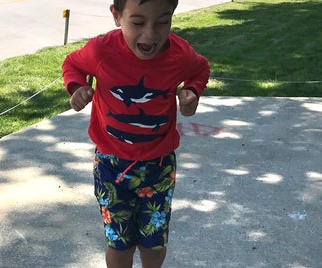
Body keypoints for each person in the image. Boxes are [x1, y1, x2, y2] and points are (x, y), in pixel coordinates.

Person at [61, 0, 210, 267]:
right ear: (117, 16)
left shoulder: (180, 54)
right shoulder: (101, 51)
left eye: (163, 22)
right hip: (111, 166)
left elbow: (200, 68)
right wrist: (77, 87)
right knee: (119, 243)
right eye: (138, 22)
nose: (150, 35)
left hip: (159, 167)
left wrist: (192, 91)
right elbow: (73, 63)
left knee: (154, 244)